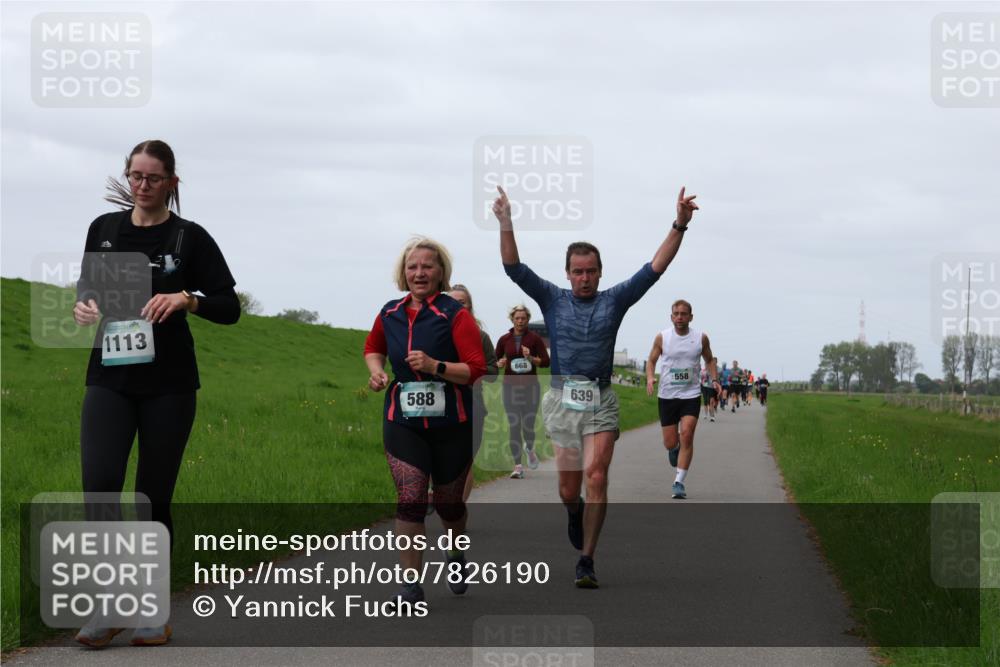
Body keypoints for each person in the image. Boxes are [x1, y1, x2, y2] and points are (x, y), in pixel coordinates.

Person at [73, 140, 241, 647]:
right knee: (100, 487)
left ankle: (151, 609)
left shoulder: (189, 238)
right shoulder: (103, 230)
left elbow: (229, 306)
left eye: (152, 178)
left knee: (150, 498)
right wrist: (84, 306)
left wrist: (188, 298)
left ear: (171, 182)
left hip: (168, 384)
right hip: (109, 376)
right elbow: (88, 287)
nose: (142, 186)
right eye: (135, 176)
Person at [493, 184, 700, 588]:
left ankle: (587, 559)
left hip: (600, 399)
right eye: (577, 271)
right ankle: (574, 512)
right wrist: (506, 222)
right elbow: (514, 269)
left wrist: (679, 224)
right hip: (562, 400)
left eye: (590, 271)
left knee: (598, 475)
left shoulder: (614, 300)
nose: (584, 278)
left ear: (600, 272)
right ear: (567, 273)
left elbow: (655, 268)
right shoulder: (552, 299)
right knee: (569, 488)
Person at [364, 238, 486, 606]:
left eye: (427, 266)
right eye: (412, 267)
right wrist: (377, 373)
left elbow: (476, 369)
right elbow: (373, 348)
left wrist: (436, 367)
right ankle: (410, 587)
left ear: (441, 273)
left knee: (450, 505)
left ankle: (455, 554)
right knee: (411, 498)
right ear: (403, 272)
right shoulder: (390, 312)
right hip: (403, 420)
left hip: (453, 423)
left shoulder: (455, 315)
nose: (419, 273)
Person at [645, 300, 720, 499]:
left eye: (683, 314)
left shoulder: (700, 338)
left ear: (690, 317)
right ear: (671, 317)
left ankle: (679, 482)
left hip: (691, 394)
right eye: (676, 314)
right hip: (667, 395)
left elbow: (709, 359)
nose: (680, 317)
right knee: (670, 442)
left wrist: (714, 380)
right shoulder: (663, 337)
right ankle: (674, 449)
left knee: (687, 434)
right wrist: (650, 377)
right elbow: (651, 360)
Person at [448, 284, 499, 502]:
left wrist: (469, 372)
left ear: (470, 307)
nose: (457, 307)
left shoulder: (482, 337)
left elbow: (493, 371)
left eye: (462, 303)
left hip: (472, 405)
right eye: (451, 303)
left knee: (465, 462)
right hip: (440, 405)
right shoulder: (434, 335)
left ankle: (457, 509)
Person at [495, 304, 550, 479]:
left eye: (523, 318)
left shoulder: (535, 339)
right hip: (509, 387)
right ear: (512, 319)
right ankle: (517, 466)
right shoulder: (504, 339)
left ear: (527, 320)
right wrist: (499, 364)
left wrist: (531, 358)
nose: (520, 321)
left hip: (530, 388)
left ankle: (530, 448)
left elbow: (546, 362)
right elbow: (493, 360)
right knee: (514, 425)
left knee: (528, 426)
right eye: (517, 318)